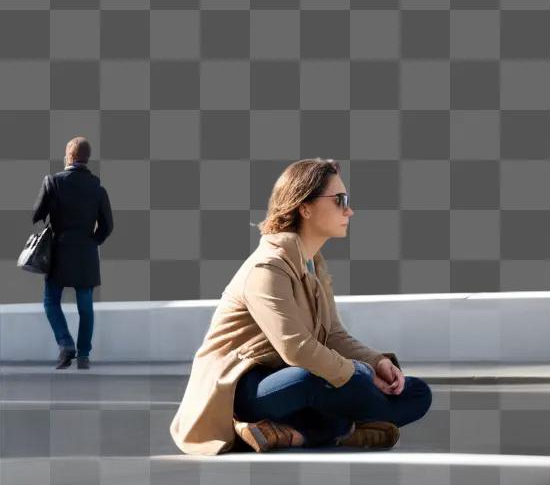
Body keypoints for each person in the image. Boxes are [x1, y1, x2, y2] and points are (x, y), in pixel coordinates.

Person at [169, 158, 432, 455]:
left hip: (292, 380)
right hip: (242, 389)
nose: (349, 210)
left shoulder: (313, 263)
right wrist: (360, 373)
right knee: (325, 378)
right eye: (339, 200)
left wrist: (377, 363)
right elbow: (296, 348)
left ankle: (297, 433)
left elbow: (332, 333)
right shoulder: (267, 266)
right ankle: (337, 428)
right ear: (304, 207)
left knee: (416, 392)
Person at [32, 137, 113, 370]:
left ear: (68, 155)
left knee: (50, 301)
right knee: (85, 307)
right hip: (86, 255)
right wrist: (92, 241)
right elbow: (108, 226)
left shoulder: (53, 182)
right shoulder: (97, 188)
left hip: (58, 252)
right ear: (87, 158)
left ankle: (66, 344)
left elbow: (36, 215)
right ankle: (84, 355)